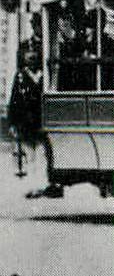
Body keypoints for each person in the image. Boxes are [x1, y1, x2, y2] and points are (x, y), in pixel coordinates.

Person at [10, 41, 54, 196]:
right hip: (26, 121)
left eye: (34, 52)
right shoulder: (21, 76)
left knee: (42, 152)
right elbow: (14, 99)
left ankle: (42, 183)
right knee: (29, 153)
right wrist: (13, 121)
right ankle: (32, 184)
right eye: (28, 53)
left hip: (41, 118)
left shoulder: (44, 75)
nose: (31, 56)